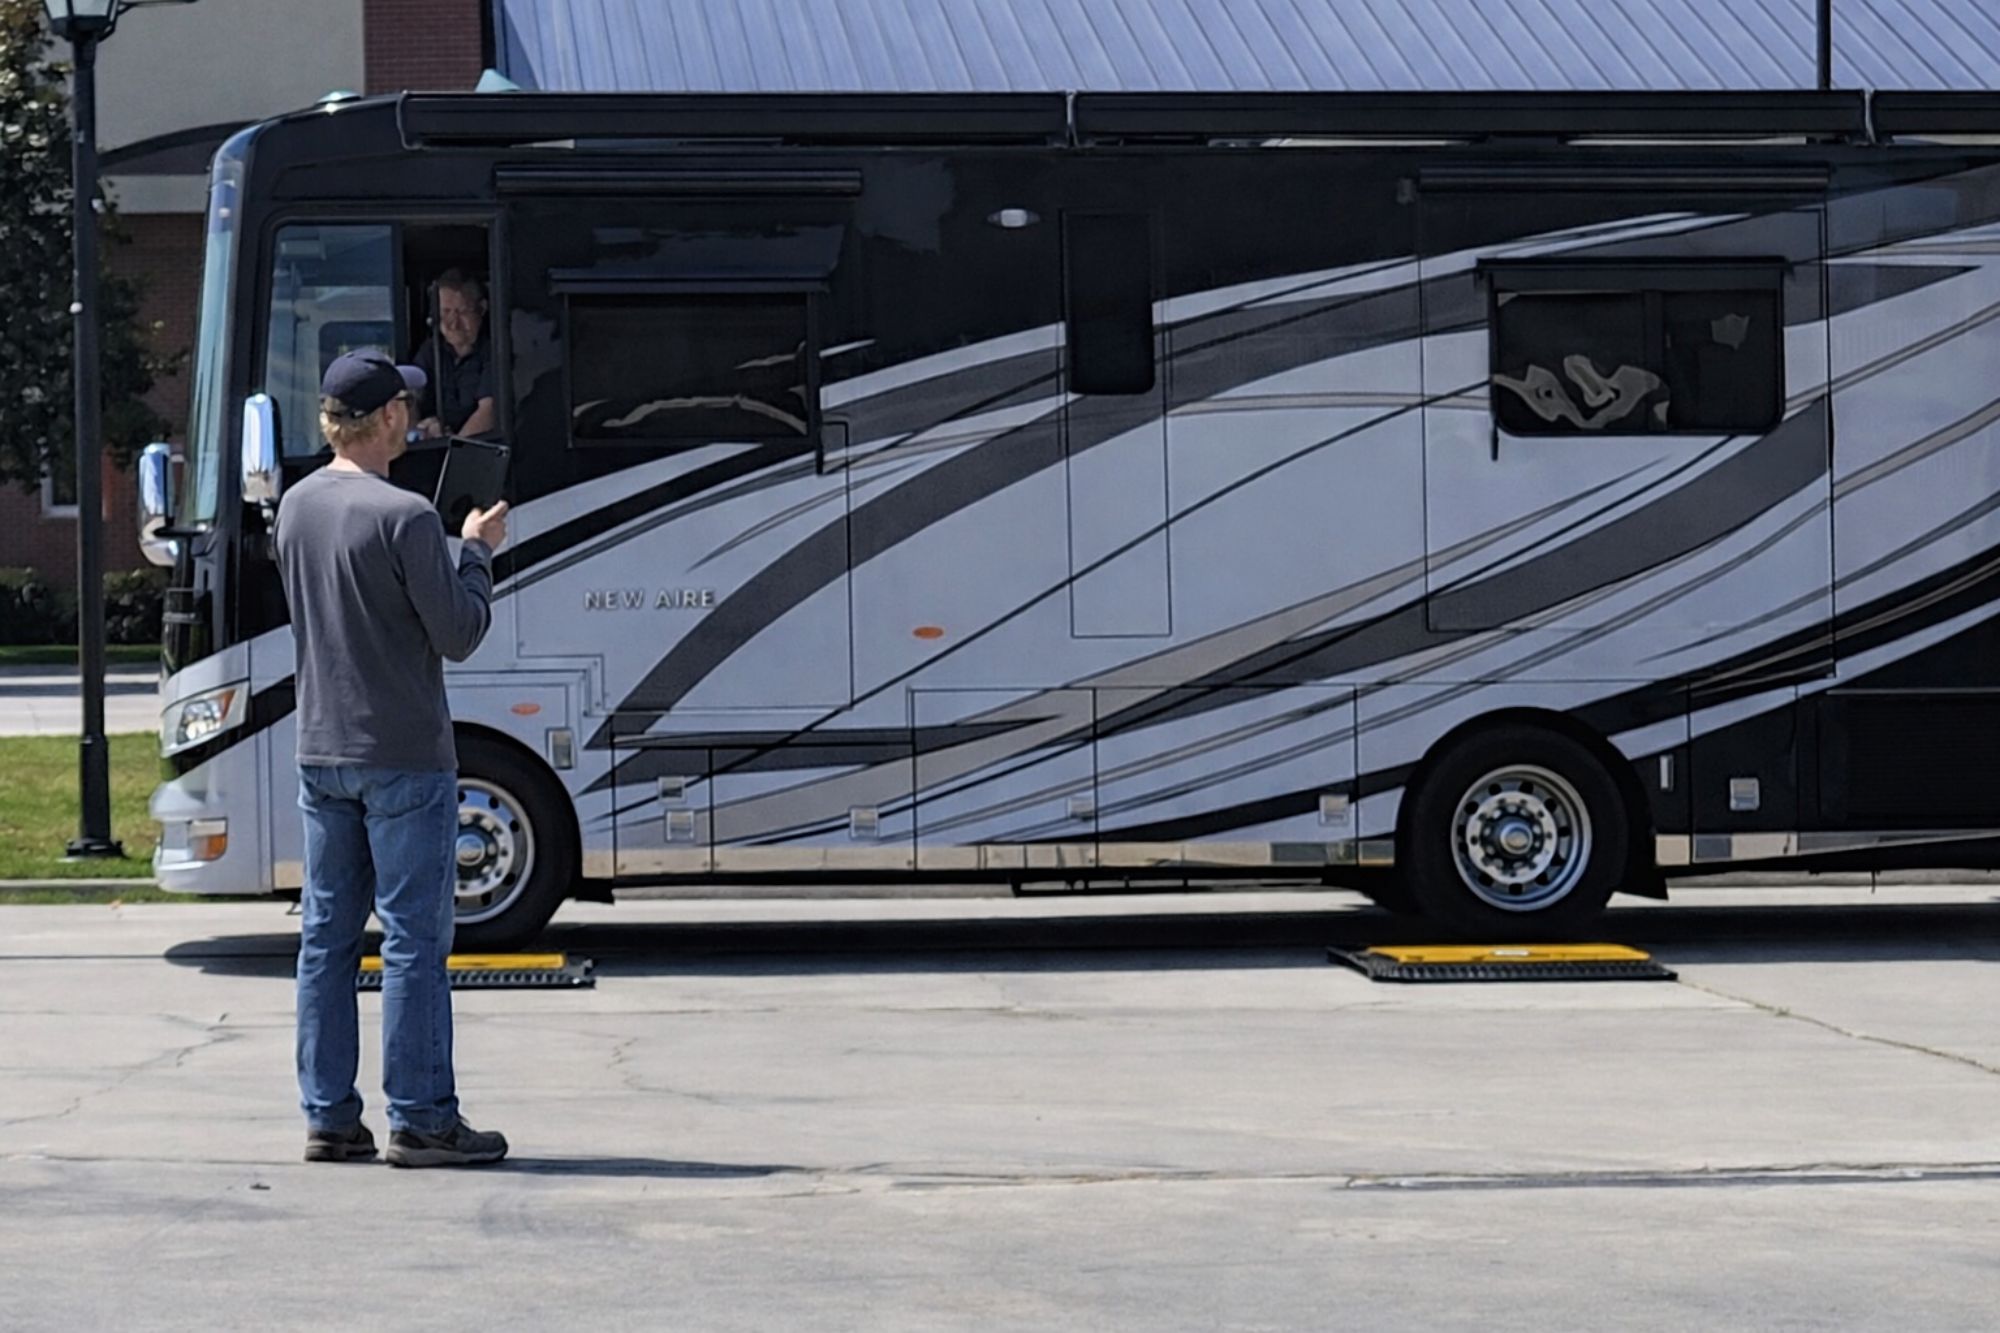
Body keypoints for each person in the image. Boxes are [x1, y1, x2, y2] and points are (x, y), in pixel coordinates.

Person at [274, 349, 512, 1168]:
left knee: (326, 939)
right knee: (412, 941)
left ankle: (329, 1116)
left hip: (321, 746)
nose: (411, 415)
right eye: (404, 406)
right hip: (405, 751)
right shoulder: (407, 517)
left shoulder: (295, 507)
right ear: (385, 419)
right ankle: (421, 1117)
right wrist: (475, 551)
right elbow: (459, 633)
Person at [412, 269, 498, 438]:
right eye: (445, 312)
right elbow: (410, 399)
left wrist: (454, 448)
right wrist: (420, 428)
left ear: (482, 308)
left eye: (462, 312)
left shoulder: (495, 350)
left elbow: (490, 410)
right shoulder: (430, 351)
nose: (453, 324)